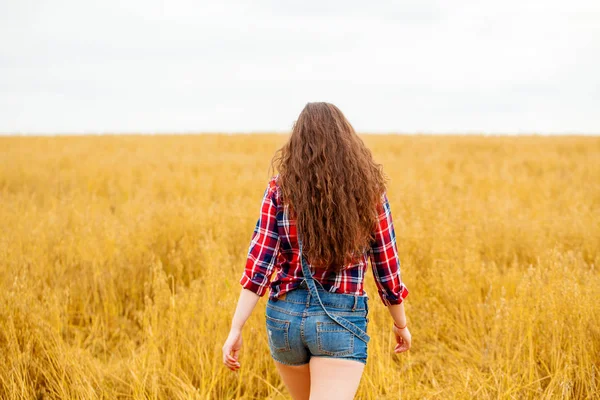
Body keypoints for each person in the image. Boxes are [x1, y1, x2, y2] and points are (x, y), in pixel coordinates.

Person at [222, 102, 411, 400]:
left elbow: (259, 265)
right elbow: (387, 268)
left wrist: (236, 328)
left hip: (284, 319)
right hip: (340, 318)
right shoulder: (369, 193)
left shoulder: (279, 190)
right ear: (347, 142)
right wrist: (400, 324)